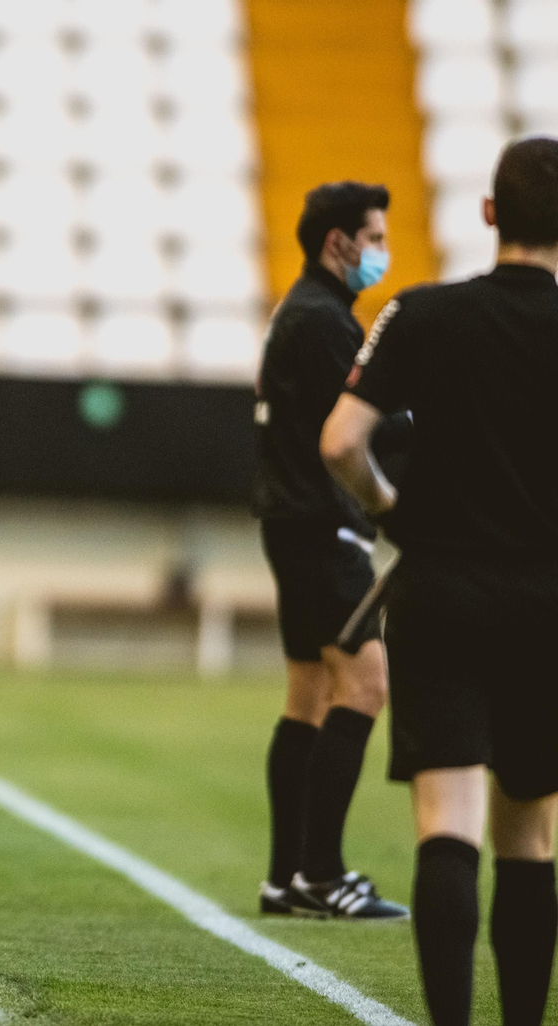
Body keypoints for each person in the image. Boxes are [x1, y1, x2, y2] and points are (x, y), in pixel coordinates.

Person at [322, 136, 558, 1026]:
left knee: (447, 820)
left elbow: (341, 442)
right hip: (547, 600)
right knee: (530, 834)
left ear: (491, 213)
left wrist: (389, 511)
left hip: (443, 591)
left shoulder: (419, 314)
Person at [251, 181, 409, 920]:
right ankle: (320, 872)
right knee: (365, 685)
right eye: (373, 237)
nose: (381, 250)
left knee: (309, 694)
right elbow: (367, 426)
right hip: (324, 526)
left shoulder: (304, 311)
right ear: (337, 242)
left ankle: (287, 878)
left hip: (294, 523)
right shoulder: (324, 323)